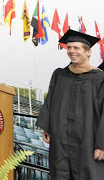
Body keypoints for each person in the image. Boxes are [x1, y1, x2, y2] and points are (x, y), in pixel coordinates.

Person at [37, 29, 104, 179]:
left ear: (88, 52)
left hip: (88, 139)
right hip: (60, 138)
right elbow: (50, 100)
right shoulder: (60, 75)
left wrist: (102, 144)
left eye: (76, 48)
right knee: (60, 173)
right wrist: (47, 126)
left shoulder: (99, 78)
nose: (71, 51)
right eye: (69, 48)